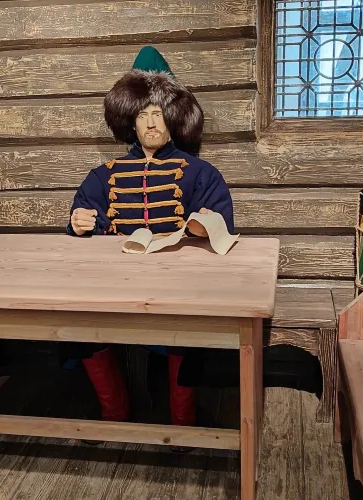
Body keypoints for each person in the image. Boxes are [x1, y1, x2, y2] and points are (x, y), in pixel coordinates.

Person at [63, 46, 235, 438]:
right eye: (142, 115)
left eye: (158, 113)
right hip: (113, 285)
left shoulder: (201, 174)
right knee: (78, 322)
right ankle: (114, 412)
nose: (151, 122)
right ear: (131, 123)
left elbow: (223, 227)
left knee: (187, 331)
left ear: (173, 120)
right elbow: (84, 218)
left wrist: (205, 228)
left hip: (176, 285)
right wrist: (78, 223)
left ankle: (182, 422)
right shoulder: (103, 175)